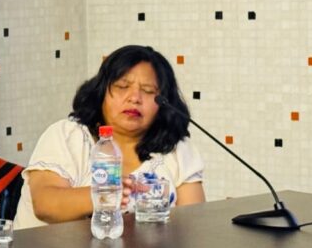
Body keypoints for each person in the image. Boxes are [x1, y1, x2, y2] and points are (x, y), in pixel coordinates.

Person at [14, 45, 205, 230]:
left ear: (163, 103)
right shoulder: (68, 136)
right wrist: (107, 194)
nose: (135, 98)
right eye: (122, 86)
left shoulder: (176, 149)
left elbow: (192, 224)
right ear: (101, 91)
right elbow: (45, 205)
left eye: (148, 91)